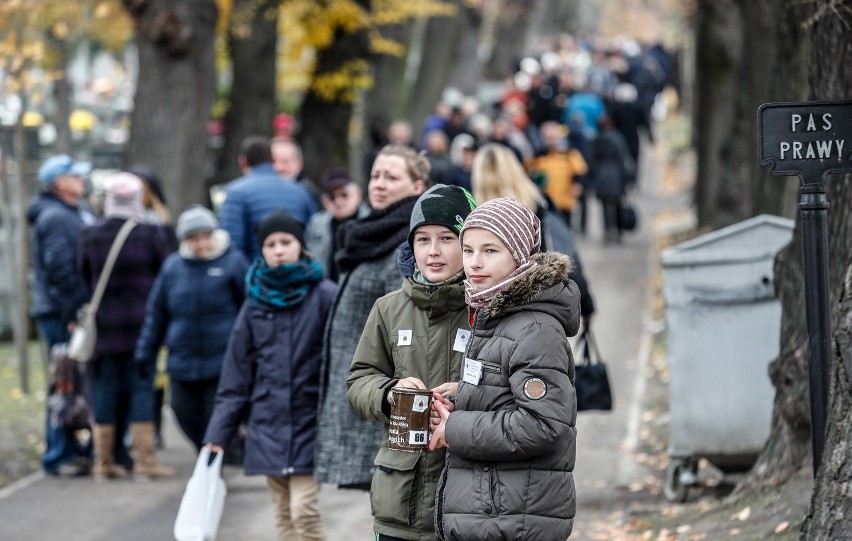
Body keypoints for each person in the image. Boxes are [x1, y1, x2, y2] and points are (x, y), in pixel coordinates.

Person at [430, 197, 580, 541]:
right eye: (468, 250)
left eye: (490, 251)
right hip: (496, 513)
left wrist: (456, 427)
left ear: (520, 254)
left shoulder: (535, 328)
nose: (475, 263)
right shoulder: (494, 313)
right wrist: (465, 394)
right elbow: (507, 393)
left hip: (512, 519)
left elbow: (542, 424)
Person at [346, 184, 477, 540]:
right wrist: (390, 393)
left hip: (469, 500)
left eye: (447, 238)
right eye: (422, 239)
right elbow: (359, 380)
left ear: (469, 243)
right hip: (399, 503)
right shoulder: (388, 309)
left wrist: (467, 396)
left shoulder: (489, 310)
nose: (433, 251)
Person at [204, 211, 336, 541]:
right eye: (270, 244)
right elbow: (236, 375)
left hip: (310, 420)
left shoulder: (324, 295)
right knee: (282, 514)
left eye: (286, 242)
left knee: (303, 510)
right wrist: (218, 433)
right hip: (268, 423)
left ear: (301, 246)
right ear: (261, 250)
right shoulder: (254, 303)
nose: (278, 250)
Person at [314, 145, 427, 490]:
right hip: (363, 389)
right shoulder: (369, 232)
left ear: (417, 187)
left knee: (393, 499)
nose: (379, 184)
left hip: (386, 395)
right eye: (376, 175)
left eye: (392, 177)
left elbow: (409, 329)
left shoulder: (407, 245)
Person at [79, 173, 175, 481]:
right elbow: (165, 275)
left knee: (106, 386)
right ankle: (144, 461)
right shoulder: (150, 233)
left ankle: (103, 460)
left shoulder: (90, 234)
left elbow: (81, 274)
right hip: (143, 324)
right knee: (141, 387)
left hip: (105, 325)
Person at [134, 206, 249, 451]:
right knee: (181, 410)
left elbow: (249, 308)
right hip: (182, 357)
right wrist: (145, 350)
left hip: (221, 358)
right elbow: (157, 312)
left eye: (205, 236)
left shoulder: (233, 261)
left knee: (214, 414)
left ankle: (213, 459)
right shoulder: (173, 267)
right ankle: (205, 451)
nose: (201, 244)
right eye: (194, 238)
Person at [471, 143, 595, 327]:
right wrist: (586, 304)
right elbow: (565, 251)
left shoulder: (472, 217)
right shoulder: (538, 205)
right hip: (538, 308)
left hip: (487, 314)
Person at [27, 153, 92, 476]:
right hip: (59, 312)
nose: (82, 180)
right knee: (63, 383)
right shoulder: (57, 217)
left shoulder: (68, 212)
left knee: (68, 382)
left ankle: (68, 448)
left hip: (59, 309)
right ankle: (59, 454)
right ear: (59, 183)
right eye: (76, 176)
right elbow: (60, 270)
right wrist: (73, 310)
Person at [219, 136, 317, 260]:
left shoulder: (235, 192)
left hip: (256, 273)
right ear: (273, 159)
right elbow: (313, 235)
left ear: (243, 162)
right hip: (296, 272)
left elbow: (232, 245)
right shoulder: (300, 191)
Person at [304, 169, 370, 282]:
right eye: (332, 197)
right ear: (324, 201)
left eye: (344, 195)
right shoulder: (316, 224)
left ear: (358, 194)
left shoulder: (372, 222)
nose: (338, 202)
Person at [589, 115, 635, 243]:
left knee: (604, 206)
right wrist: (628, 179)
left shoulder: (597, 140)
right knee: (618, 204)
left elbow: (591, 159)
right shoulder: (618, 138)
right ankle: (618, 232)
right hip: (616, 175)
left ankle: (607, 231)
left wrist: (594, 175)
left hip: (602, 176)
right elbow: (624, 158)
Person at [270, 137, 322, 206]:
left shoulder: (310, 194)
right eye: (273, 162)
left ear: (299, 164)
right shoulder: (257, 192)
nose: (279, 167)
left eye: (285, 162)